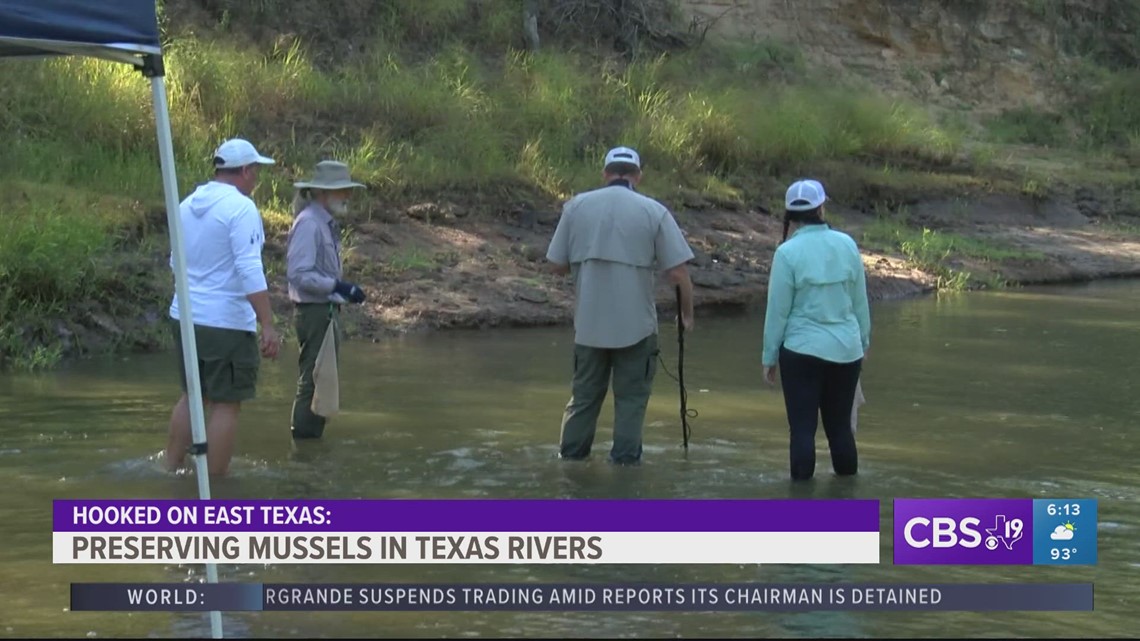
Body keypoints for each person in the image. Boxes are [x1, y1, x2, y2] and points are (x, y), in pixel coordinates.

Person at [546, 146, 695, 465]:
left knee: (583, 400)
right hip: (637, 328)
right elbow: (679, 273)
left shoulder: (576, 207)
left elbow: (556, 265)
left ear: (605, 173)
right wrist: (685, 315)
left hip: (588, 326)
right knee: (631, 402)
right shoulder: (654, 211)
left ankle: (570, 464)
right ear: (637, 176)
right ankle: (625, 471)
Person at [165, 138, 281, 476]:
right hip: (226, 323)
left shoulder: (185, 205)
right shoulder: (241, 209)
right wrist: (268, 324)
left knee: (192, 395)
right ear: (245, 171)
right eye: (255, 171)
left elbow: (175, 262)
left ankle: (171, 470)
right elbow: (249, 269)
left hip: (185, 316)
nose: (256, 178)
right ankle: (216, 487)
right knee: (227, 404)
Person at [761, 178, 871, 481]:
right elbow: (860, 302)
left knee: (802, 430)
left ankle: (801, 507)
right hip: (846, 350)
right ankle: (849, 498)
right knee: (840, 430)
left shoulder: (787, 253)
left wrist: (769, 357)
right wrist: (863, 343)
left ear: (790, 216)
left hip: (801, 352)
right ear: (821, 208)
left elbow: (778, 311)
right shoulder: (847, 244)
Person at [285, 160, 368, 440]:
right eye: (343, 190)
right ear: (324, 193)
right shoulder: (309, 223)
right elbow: (298, 273)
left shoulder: (324, 223)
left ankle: (310, 446)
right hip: (314, 313)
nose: (348, 196)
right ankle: (304, 446)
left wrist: (340, 291)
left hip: (325, 311)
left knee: (321, 381)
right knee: (313, 381)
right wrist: (337, 286)